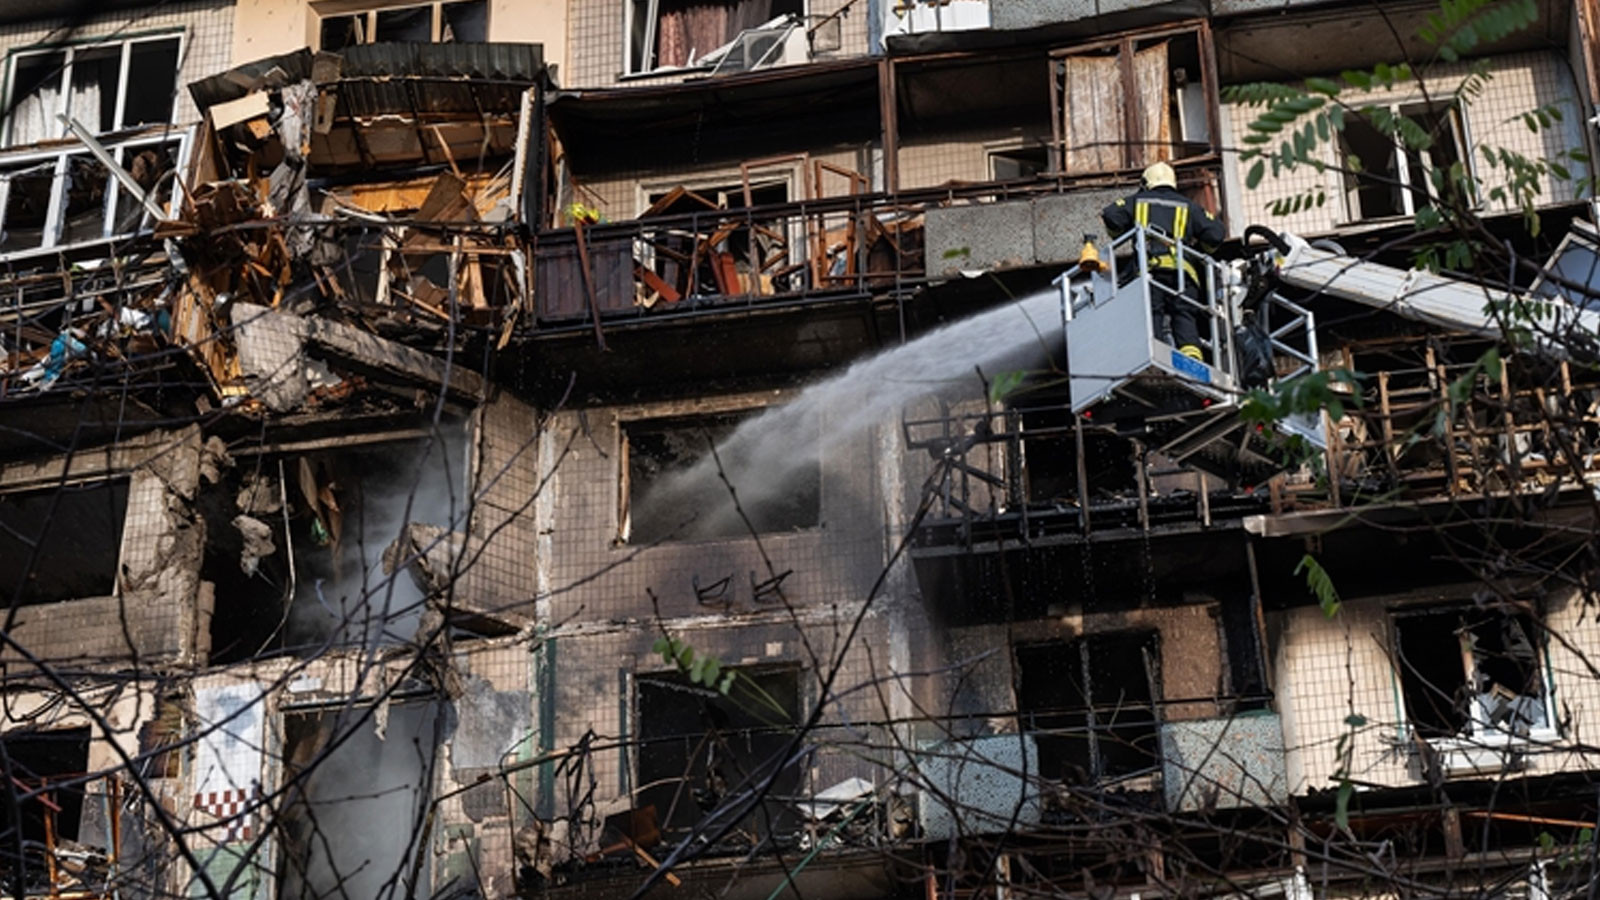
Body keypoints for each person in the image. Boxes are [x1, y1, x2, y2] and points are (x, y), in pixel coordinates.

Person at [1101, 161, 1225, 362]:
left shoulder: (1139, 201)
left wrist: (1123, 235)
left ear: (1147, 182)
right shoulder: (1189, 206)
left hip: (1152, 273)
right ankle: (1192, 360)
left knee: (1153, 314)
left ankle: (1156, 356)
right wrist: (1199, 250)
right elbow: (1216, 233)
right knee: (1184, 316)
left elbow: (1110, 214)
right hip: (1184, 275)